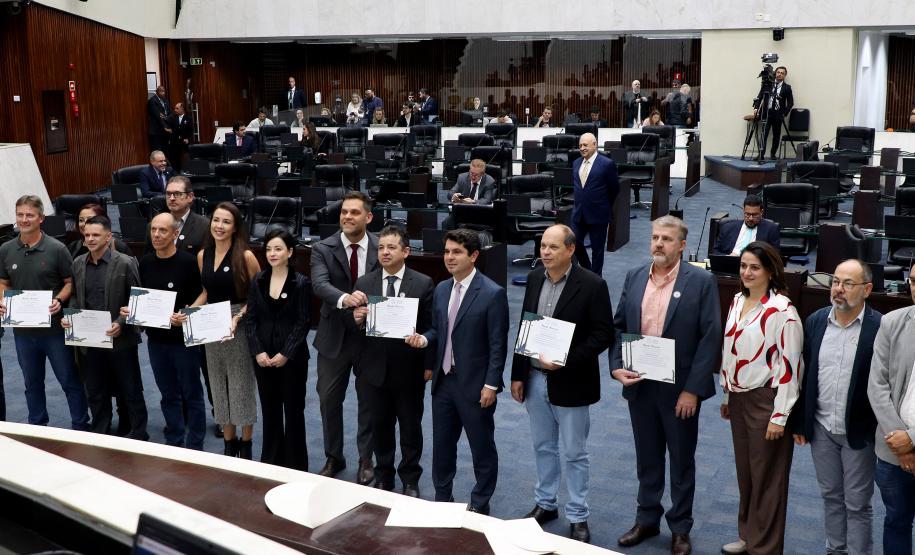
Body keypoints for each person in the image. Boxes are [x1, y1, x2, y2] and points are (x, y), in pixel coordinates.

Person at [610, 215, 721, 555]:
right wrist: (616, 366)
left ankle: (680, 527)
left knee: (681, 461)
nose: (658, 244)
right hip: (640, 383)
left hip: (680, 391)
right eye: (655, 237)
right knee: (647, 457)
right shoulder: (634, 275)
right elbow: (618, 327)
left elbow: (710, 338)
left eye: (667, 239)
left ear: (682, 245)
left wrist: (693, 390)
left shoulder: (700, 281)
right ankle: (646, 519)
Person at [510, 224, 613, 543]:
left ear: (571, 250)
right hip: (535, 379)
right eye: (542, 246)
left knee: (574, 452)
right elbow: (525, 325)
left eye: (553, 247)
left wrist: (566, 358)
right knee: (542, 446)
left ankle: (578, 514)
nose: (545, 252)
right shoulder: (534, 277)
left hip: (572, 382)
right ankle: (546, 504)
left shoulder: (593, 284)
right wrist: (517, 373)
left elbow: (603, 335)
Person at [406, 229, 510, 515]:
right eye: (447, 251)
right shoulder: (441, 289)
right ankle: (443, 497)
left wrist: (491, 384)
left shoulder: (492, 293)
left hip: (476, 386)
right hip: (443, 383)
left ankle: (479, 502)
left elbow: (497, 345)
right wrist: (425, 339)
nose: (449, 258)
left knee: (482, 448)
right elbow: (440, 330)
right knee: (442, 446)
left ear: (473, 256)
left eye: (457, 252)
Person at [790, 259, 881, 555]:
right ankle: (835, 550)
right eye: (835, 282)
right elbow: (805, 376)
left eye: (847, 284)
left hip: (858, 431)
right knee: (830, 495)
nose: (838, 290)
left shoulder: (879, 327)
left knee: (856, 503)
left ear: (866, 289)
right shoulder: (816, 321)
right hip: (821, 427)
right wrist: (801, 423)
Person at [719, 241, 803, 555]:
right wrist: (727, 393)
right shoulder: (737, 300)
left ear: (770, 270)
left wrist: (780, 416)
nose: (747, 272)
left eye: (755, 267)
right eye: (743, 266)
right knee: (747, 472)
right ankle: (748, 534)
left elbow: (791, 368)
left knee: (768, 477)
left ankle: (764, 547)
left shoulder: (782, 310)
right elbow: (729, 350)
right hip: (739, 399)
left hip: (767, 401)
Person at [346, 225, 434, 497]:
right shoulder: (364, 283)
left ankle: (410, 478)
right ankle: (384, 475)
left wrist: (426, 354)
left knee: (410, 428)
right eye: (381, 247)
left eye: (391, 247)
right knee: (380, 428)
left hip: (408, 370)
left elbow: (432, 327)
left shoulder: (422, 283)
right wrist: (356, 320)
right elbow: (356, 328)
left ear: (406, 252)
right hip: (373, 370)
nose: (384, 252)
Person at [0, 195, 89, 430]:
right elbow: (3, 282)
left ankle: (80, 426)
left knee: (69, 380)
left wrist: (59, 300)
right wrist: (3, 300)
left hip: (55, 331)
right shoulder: (6, 249)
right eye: (20, 215)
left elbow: (70, 282)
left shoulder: (57, 249)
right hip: (23, 332)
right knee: (31, 383)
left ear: (41, 218)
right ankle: (37, 427)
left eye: (30, 215)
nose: (24, 219)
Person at [311, 191, 379, 483]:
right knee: (328, 400)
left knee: (369, 402)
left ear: (368, 217)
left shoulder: (382, 246)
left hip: (370, 336)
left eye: (354, 212)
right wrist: (347, 299)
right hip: (334, 335)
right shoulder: (322, 248)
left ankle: (366, 459)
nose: (347, 217)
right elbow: (320, 285)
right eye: (344, 212)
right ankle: (333, 456)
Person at [189, 202, 261, 459]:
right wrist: (190, 311)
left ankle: (246, 446)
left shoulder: (245, 256)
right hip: (212, 324)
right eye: (216, 220)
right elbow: (207, 292)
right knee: (218, 384)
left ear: (235, 227)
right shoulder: (202, 255)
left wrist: (239, 317)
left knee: (240, 384)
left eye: (226, 222)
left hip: (238, 326)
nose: (219, 226)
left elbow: (258, 296)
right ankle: (229, 446)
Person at [67, 215, 148, 440]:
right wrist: (71, 316)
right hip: (90, 339)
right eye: (87, 235)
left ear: (108, 236)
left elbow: (137, 299)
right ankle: (101, 432)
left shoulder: (125, 262)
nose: (90, 239)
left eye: (96, 235)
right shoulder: (78, 263)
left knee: (130, 390)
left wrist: (121, 324)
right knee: (95, 391)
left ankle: (139, 433)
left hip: (120, 340)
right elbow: (74, 296)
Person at [133, 213, 206, 450]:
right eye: (153, 229)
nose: (156, 235)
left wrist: (188, 312)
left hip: (184, 341)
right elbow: (143, 298)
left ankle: (195, 444)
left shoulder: (188, 262)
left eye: (162, 230)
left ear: (175, 234)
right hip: (157, 341)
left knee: (191, 393)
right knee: (168, 394)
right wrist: (133, 310)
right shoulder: (145, 262)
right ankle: (174, 439)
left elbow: (203, 294)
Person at [245, 229, 311, 471]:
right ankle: (271, 462)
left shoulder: (301, 283)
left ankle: (295, 465)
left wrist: (285, 353)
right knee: (270, 410)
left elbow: (303, 322)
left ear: (290, 252)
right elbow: (251, 319)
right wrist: (258, 351)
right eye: (269, 249)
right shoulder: (258, 280)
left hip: (291, 359)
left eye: (278, 249)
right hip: (262, 358)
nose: (272, 254)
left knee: (293, 411)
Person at [867, 271, 915, 555]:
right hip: (892, 451)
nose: (914, 287)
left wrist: (911, 439)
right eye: (912, 280)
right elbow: (877, 386)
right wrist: (902, 445)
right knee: (896, 522)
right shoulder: (892, 322)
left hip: (903, 443)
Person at [571, 132, 619, 275]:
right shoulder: (576, 163)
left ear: (594, 144)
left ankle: (596, 280)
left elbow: (614, 189)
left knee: (597, 251)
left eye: (585, 145)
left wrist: (603, 205)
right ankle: (588, 271)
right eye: (580, 145)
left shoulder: (607, 164)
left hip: (598, 213)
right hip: (579, 213)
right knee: (574, 243)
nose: (582, 148)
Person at [712, 194, 781, 256]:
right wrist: (728, 258)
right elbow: (715, 251)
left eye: (754, 215)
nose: (750, 218)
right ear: (743, 210)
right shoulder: (728, 227)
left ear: (761, 212)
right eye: (747, 214)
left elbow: (774, 256)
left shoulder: (771, 229)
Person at [442, 159, 496, 230]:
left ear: (482, 174)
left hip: (479, 213)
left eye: (476, 175)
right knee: (446, 223)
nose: (473, 177)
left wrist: (473, 202)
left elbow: (487, 200)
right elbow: (450, 193)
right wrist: (454, 196)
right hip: (463, 211)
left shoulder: (489, 181)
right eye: (471, 173)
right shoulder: (462, 178)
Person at [753, 66, 794, 160]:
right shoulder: (767, 85)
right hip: (767, 113)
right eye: (778, 72)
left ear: (785, 75)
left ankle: (772, 154)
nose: (779, 74)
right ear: (775, 73)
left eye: (782, 73)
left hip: (778, 114)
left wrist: (784, 113)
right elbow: (759, 96)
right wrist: (756, 107)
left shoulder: (787, 88)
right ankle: (761, 155)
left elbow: (790, 103)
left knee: (776, 135)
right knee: (764, 134)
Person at [164, 176, 209, 257]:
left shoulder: (205, 226)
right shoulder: (155, 225)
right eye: (168, 194)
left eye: (177, 194)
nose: (171, 198)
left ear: (190, 197)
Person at [166, 102, 193, 173]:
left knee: (186, 157)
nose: (175, 110)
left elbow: (191, 131)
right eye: (175, 108)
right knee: (175, 158)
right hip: (175, 142)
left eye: (177, 108)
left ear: (182, 109)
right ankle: (176, 172)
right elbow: (167, 123)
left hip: (185, 142)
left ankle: (187, 171)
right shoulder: (172, 118)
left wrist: (188, 139)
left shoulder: (188, 118)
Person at [147, 85, 171, 152]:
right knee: (157, 151)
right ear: (157, 92)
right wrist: (165, 127)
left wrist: (166, 118)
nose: (163, 93)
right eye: (161, 91)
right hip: (157, 130)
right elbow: (158, 116)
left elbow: (170, 113)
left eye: (164, 91)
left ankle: (165, 162)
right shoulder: (152, 101)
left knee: (166, 149)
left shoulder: (165, 101)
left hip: (165, 131)